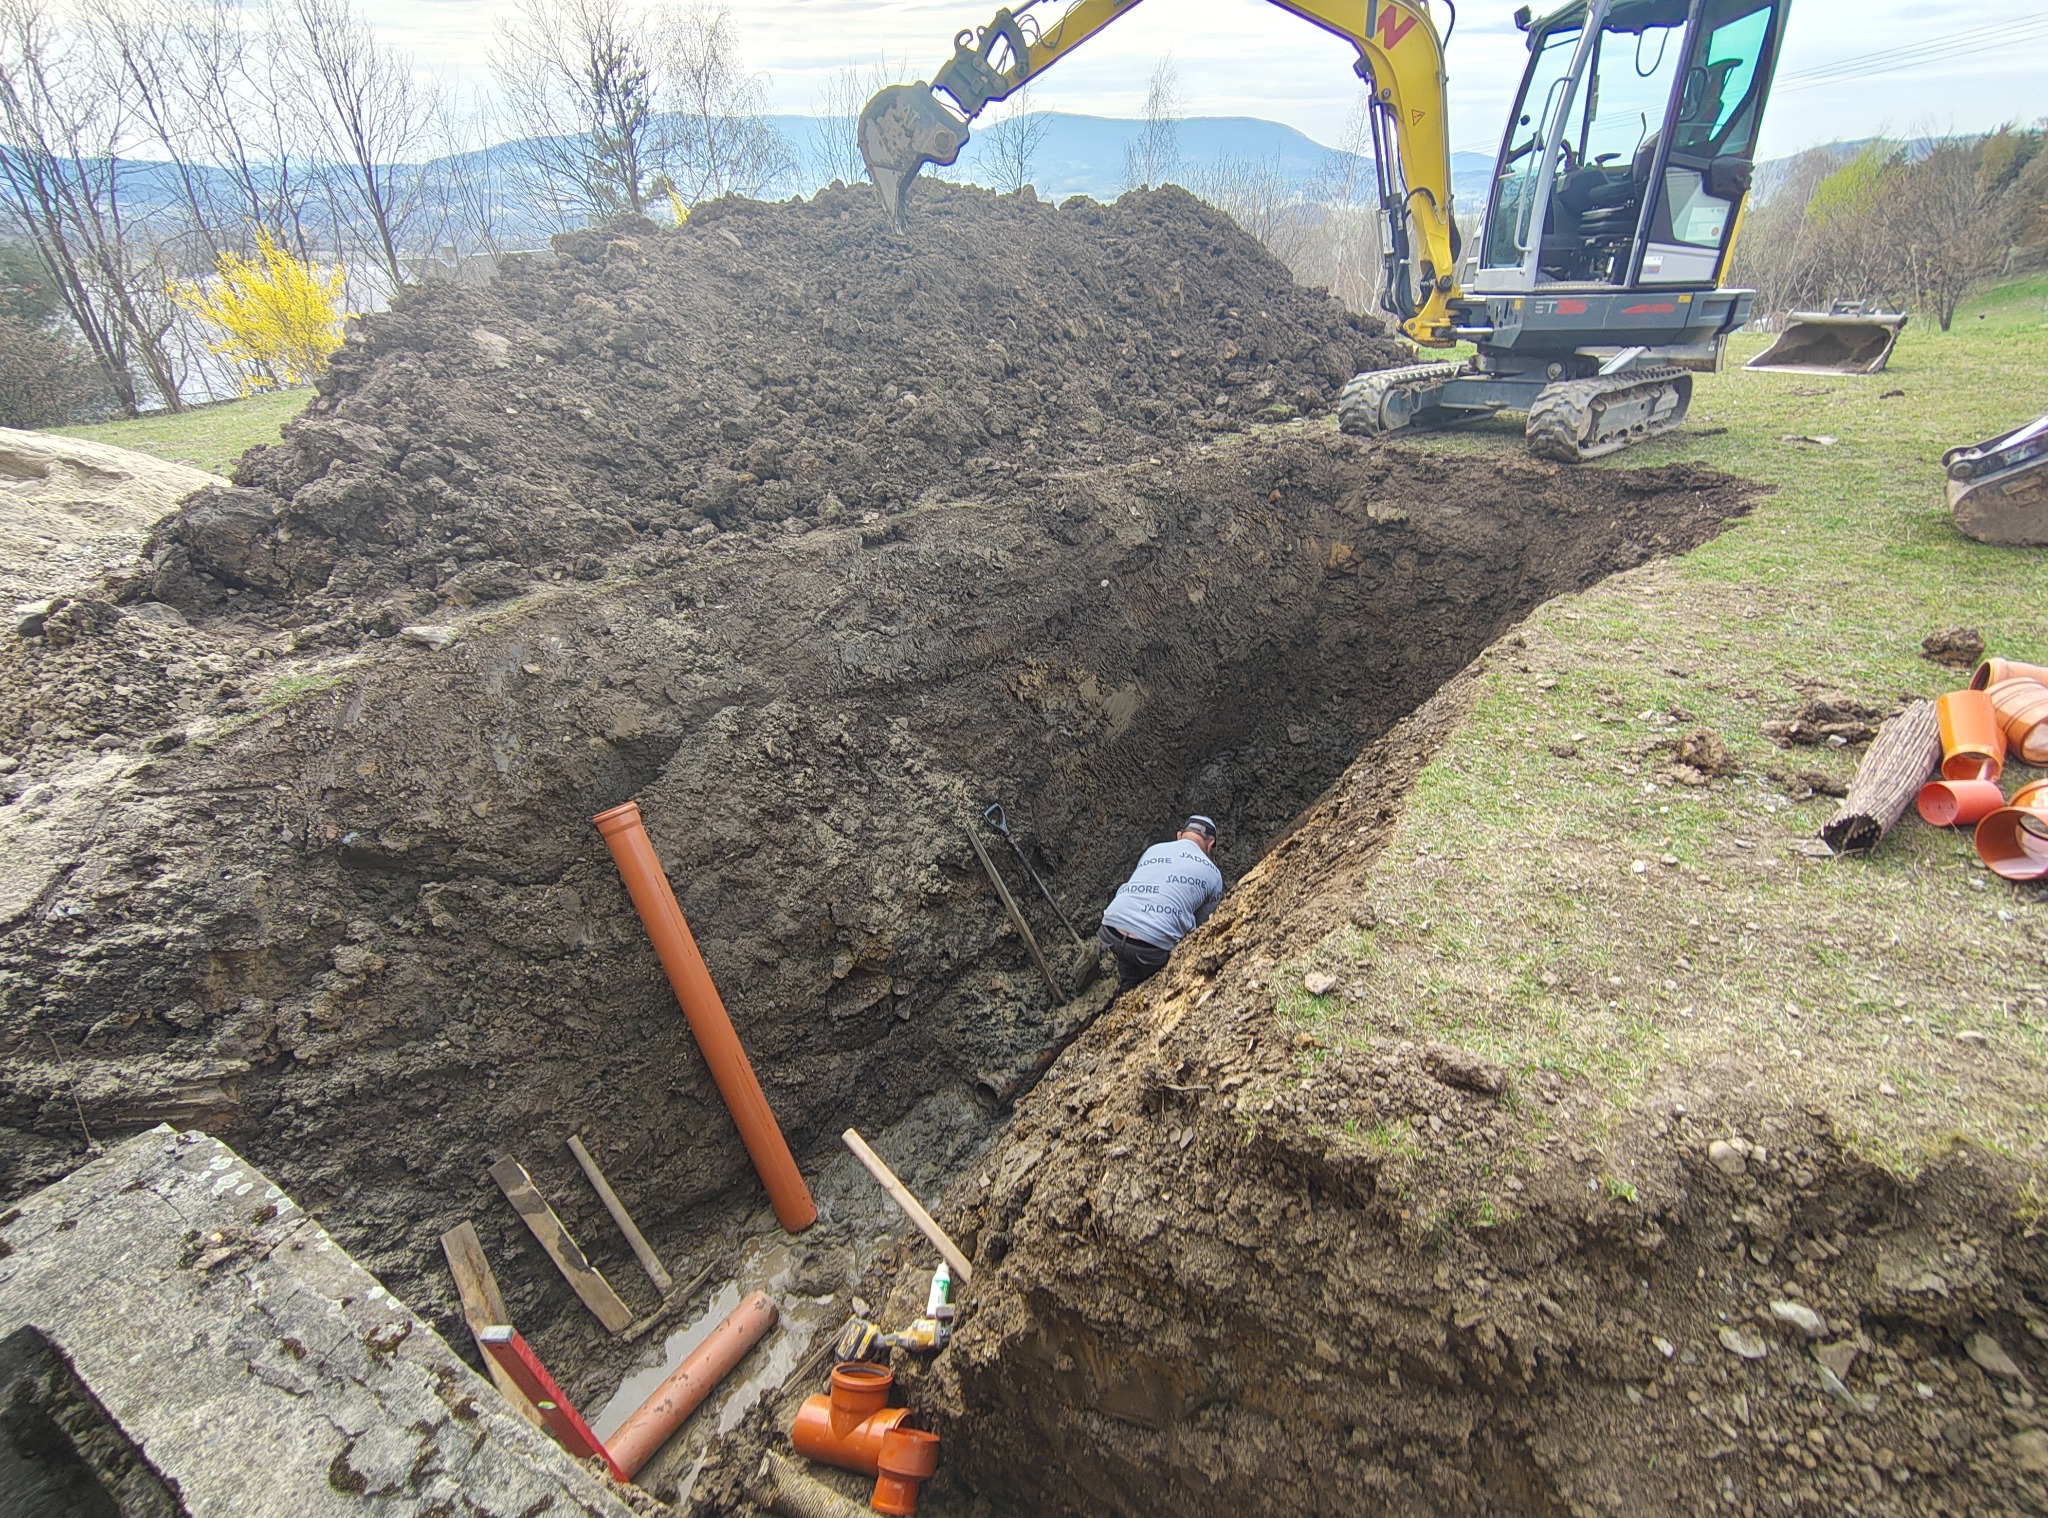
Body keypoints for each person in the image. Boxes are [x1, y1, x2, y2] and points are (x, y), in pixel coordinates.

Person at [1097, 815, 1223, 992]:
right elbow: (1201, 931)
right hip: (1150, 950)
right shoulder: (1214, 875)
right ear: (1210, 845)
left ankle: (1122, 986)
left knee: (1125, 966)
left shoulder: (1153, 850)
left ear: (1179, 835)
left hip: (1109, 931)